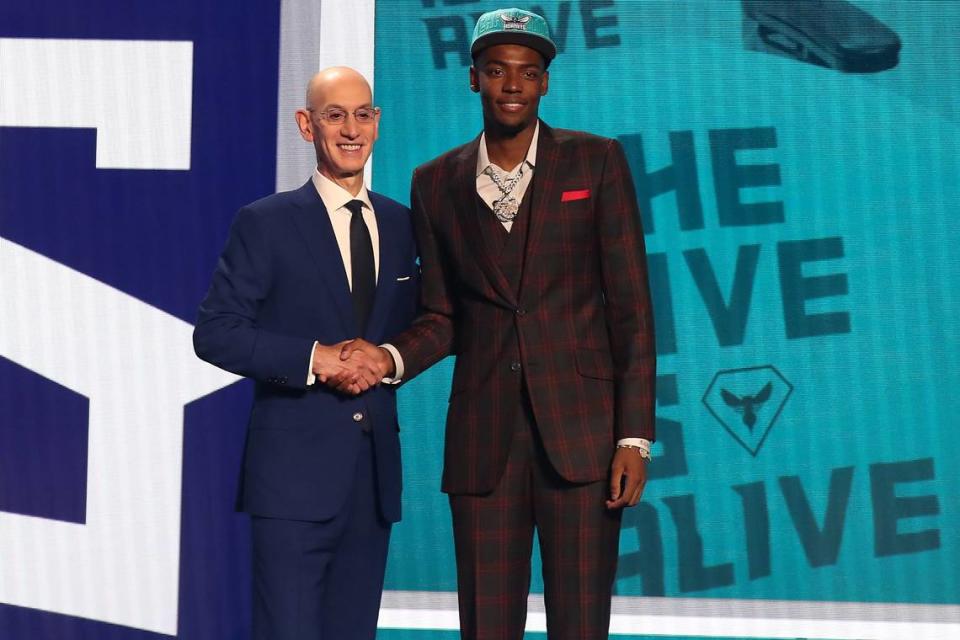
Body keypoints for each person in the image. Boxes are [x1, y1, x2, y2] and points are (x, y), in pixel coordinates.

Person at [340, 8, 656, 639]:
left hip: (583, 439)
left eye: (528, 72)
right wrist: (388, 358)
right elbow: (441, 314)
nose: (512, 84)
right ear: (474, 80)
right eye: (497, 70)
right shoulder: (434, 183)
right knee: (485, 627)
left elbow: (632, 310)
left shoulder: (597, 162)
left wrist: (633, 439)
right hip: (483, 442)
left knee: (581, 624)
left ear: (544, 84)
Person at [193, 67, 418, 640]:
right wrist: (317, 359)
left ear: (378, 124)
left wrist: (387, 357)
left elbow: (431, 325)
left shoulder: (402, 223)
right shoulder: (265, 222)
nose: (350, 129)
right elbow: (215, 331)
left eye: (362, 114)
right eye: (334, 114)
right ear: (306, 125)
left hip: (371, 484)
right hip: (291, 482)